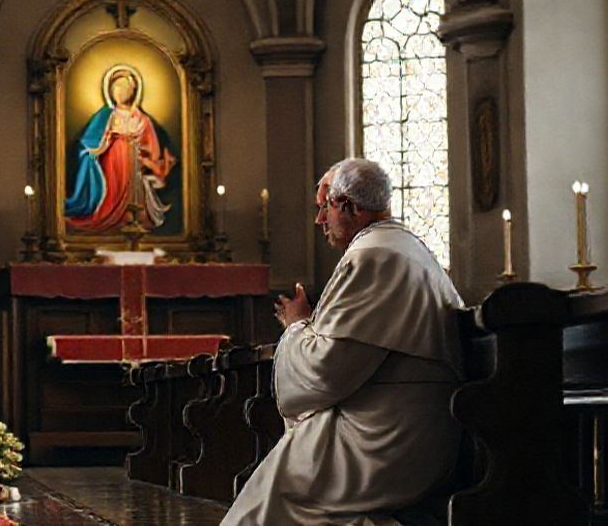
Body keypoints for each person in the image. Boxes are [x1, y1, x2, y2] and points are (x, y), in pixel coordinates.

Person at [222, 158, 463, 525]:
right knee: (285, 470)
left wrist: (296, 325)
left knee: (282, 489)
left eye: (324, 207)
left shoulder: (374, 257)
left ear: (348, 206)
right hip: (408, 419)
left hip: (389, 437)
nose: (320, 220)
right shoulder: (404, 247)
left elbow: (326, 372)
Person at [64, 65, 177, 232]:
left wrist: (144, 156)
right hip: (110, 161)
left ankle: (132, 219)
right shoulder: (105, 116)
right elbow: (91, 141)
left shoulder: (141, 119)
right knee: (112, 190)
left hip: (134, 163)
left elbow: (153, 148)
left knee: (133, 193)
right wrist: (98, 149)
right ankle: (109, 215)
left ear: (133, 91)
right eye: (115, 87)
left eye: (124, 88)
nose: (119, 92)